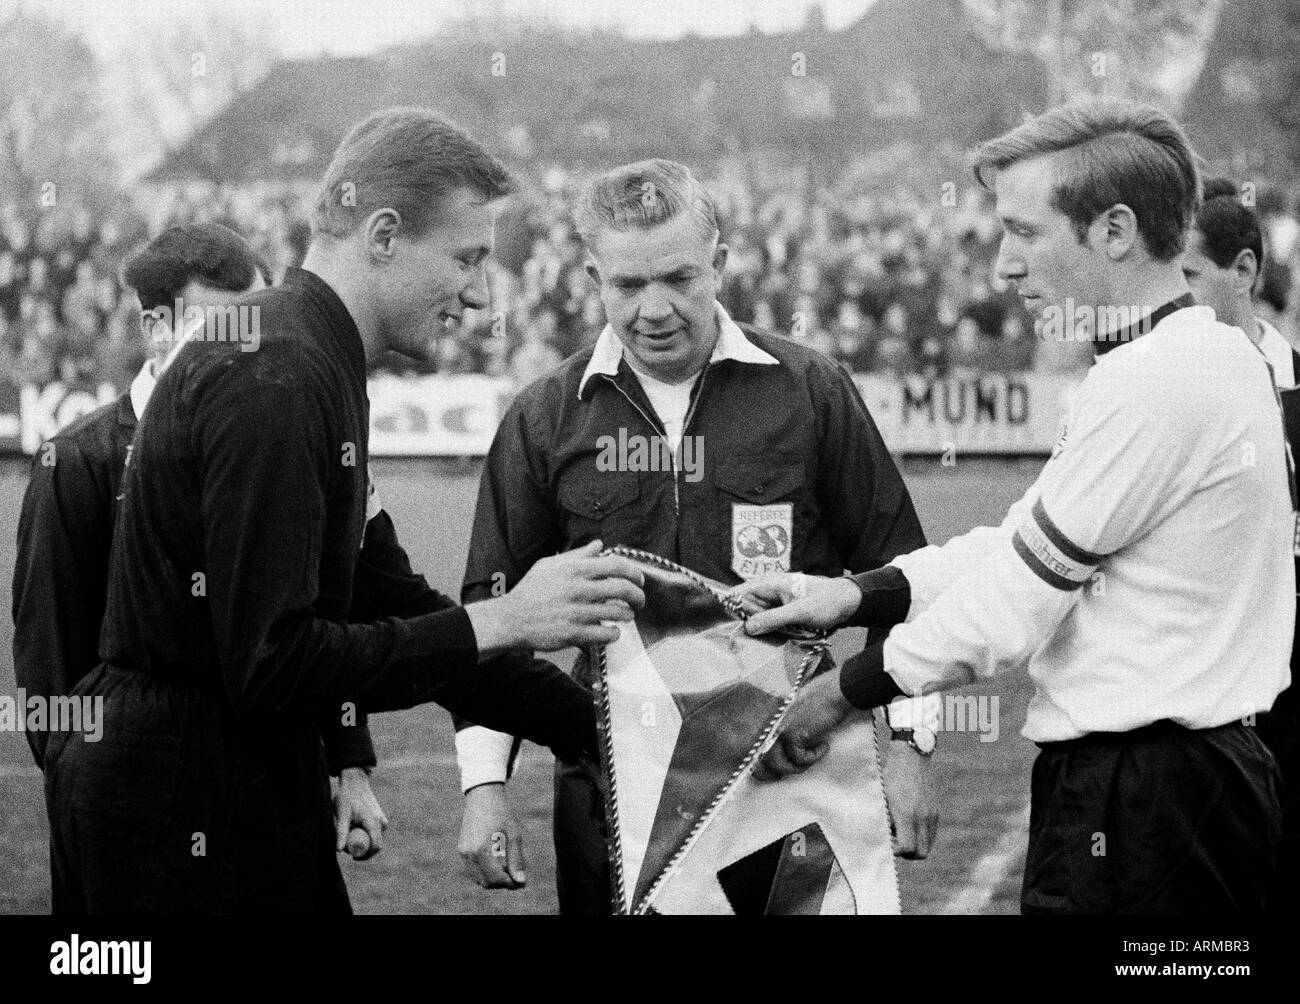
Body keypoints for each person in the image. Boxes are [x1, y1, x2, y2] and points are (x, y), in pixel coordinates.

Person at [41, 107, 646, 914]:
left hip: (228, 780)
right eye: (466, 258)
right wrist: (500, 620)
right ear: (385, 235)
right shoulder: (277, 372)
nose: (477, 293)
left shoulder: (312, 360)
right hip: (183, 806)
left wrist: (603, 733)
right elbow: (272, 664)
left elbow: (387, 597)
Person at [735, 98, 1291, 914]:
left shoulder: (1157, 381)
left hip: (1148, 802)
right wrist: (855, 592)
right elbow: (1016, 544)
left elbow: (1016, 603)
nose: (1003, 265)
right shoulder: (1189, 358)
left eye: (1025, 232)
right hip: (1179, 790)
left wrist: (839, 694)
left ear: (1114, 231)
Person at [453, 159, 937, 912]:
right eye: (628, 285)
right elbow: (490, 613)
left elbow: (898, 573)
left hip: (788, 764)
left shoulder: (811, 389)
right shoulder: (545, 417)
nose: (655, 308)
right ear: (592, 275)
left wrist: (910, 746)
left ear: (719, 263)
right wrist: (485, 788)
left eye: (679, 278)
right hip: (610, 781)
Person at [13, 222, 398, 860]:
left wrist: (349, 764)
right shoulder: (78, 462)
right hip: (137, 812)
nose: (250, 346)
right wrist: (96, 794)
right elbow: (51, 665)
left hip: (275, 792)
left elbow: (327, 615)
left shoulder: (285, 436)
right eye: (223, 326)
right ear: (157, 330)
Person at [1181, 177, 1299, 913]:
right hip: (1196, 695)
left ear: (1245, 272)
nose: (1172, 298)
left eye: (1189, 276)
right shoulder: (1161, 393)